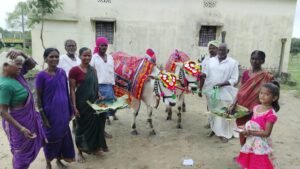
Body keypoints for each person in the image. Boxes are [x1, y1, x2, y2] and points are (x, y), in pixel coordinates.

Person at [0, 50, 46, 169]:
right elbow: (3, 112)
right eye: (18, 64)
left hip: (27, 119)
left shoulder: (17, 75)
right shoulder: (5, 85)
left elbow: (32, 64)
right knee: (21, 153)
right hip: (18, 123)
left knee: (24, 151)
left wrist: (21, 53)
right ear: (5, 65)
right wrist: (21, 129)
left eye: (21, 64)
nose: (21, 67)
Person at [36, 48, 75, 169]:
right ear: (45, 58)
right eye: (51, 57)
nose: (54, 59)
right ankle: (48, 163)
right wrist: (44, 118)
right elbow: (38, 98)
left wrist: (70, 110)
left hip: (63, 113)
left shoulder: (62, 73)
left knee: (63, 137)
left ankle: (59, 159)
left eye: (56, 57)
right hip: (50, 114)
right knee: (50, 139)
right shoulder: (41, 76)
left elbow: (66, 91)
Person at [69, 47, 108, 162]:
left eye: (89, 55)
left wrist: (99, 95)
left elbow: (95, 86)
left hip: (94, 104)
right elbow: (72, 90)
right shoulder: (74, 71)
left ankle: (94, 148)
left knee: (96, 126)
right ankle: (79, 152)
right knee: (81, 128)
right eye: (84, 55)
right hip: (82, 104)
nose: (87, 58)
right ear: (80, 56)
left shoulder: (93, 70)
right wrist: (74, 107)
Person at [228, 50, 273, 146]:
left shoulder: (266, 76)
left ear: (263, 61)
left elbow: (270, 94)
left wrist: (257, 109)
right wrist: (233, 104)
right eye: (252, 58)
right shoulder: (245, 74)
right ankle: (244, 153)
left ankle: (251, 157)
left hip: (257, 110)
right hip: (242, 108)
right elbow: (240, 90)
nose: (254, 61)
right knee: (242, 130)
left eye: (258, 59)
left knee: (253, 132)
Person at [235, 82, 280, 169]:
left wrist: (250, 132)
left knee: (258, 162)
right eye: (261, 93)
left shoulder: (271, 114)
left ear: (274, 98)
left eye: (266, 94)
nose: (262, 96)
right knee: (250, 159)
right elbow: (253, 122)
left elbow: (266, 133)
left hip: (260, 143)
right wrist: (244, 126)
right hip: (251, 140)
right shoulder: (256, 107)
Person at [201, 43, 239, 143]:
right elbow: (206, 72)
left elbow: (234, 79)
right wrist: (202, 75)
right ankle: (215, 130)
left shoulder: (233, 63)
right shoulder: (210, 61)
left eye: (223, 50)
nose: (221, 52)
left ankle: (224, 133)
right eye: (220, 50)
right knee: (213, 111)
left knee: (224, 113)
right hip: (211, 91)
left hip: (225, 92)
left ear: (228, 51)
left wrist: (222, 84)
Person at [91, 36, 116, 134]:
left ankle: (102, 130)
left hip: (109, 87)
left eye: (105, 45)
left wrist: (113, 85)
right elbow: (91, 73)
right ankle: (99, 131)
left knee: (108, 110)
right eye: (102, 45)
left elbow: (112, 72)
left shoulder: (110, 57)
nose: (104, 47)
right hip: (98, 87)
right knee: (99, 111)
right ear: (98, 46)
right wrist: (95, 89)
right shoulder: (94, 57)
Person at [199, 40, 220, 128]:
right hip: (207, 86)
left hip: (216, 87)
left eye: (214, 48)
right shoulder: (206, 60)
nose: (211, 49)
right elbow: (202, 74)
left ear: (218, 49)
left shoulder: (220, 60)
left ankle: (215, 124)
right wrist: (200, 88)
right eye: (210, 47)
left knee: (215, 105)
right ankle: (210, 122)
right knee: (209, 105)